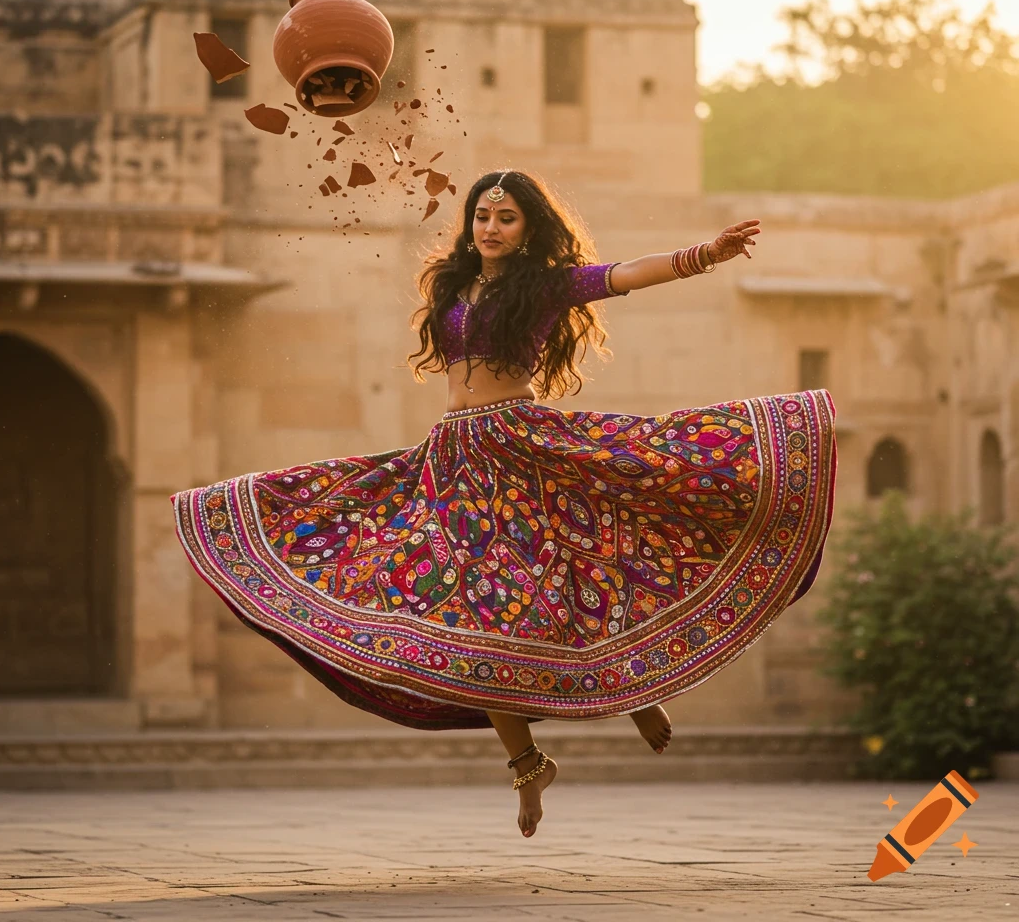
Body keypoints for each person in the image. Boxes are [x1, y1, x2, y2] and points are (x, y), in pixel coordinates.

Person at [173, 170, 837, 839]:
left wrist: (705, 255)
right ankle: (528, 763)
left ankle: (639, 693)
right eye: (482, 215)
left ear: (528, 228)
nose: (491, 227)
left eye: (507, 217)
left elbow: (624, 275)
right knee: (478, 605)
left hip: (518, 444)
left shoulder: (543, 284)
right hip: (455, 456)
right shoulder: (451, 283)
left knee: (578, 573)